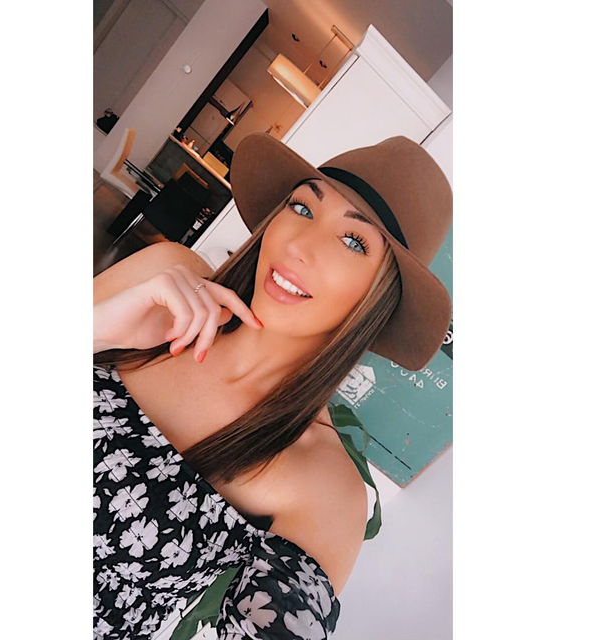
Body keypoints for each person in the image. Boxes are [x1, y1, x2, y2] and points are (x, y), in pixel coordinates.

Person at [93, 132, 452, 639]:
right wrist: (96, 330)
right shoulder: (164, 277)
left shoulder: (323, 484)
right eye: (302, 208)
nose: (297, 245)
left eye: (353, 241)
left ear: (380, 297)